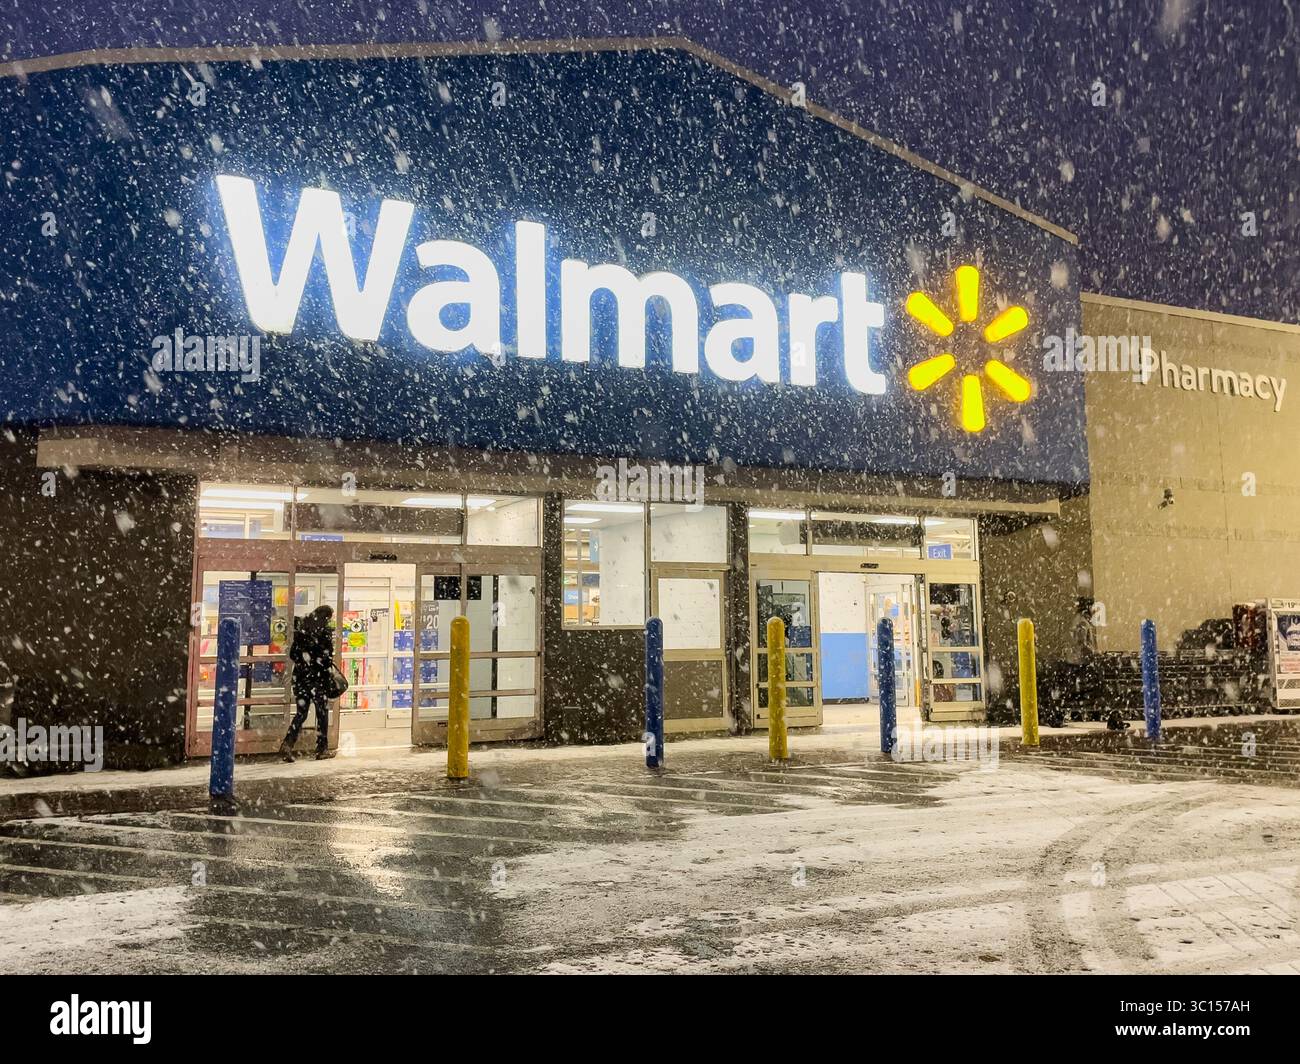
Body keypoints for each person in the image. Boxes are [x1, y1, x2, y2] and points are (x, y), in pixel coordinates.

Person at [281, 605, 337, 761]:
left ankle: (288, 744)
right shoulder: (324, 633)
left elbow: (293, 654)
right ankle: (321, 748)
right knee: (322, 713)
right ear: (326, 618)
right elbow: (326, 659)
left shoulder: (302, 631)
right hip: (318, 680)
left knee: (301, 713)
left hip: (301, 679)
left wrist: (304, 662)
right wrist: (318, 665)